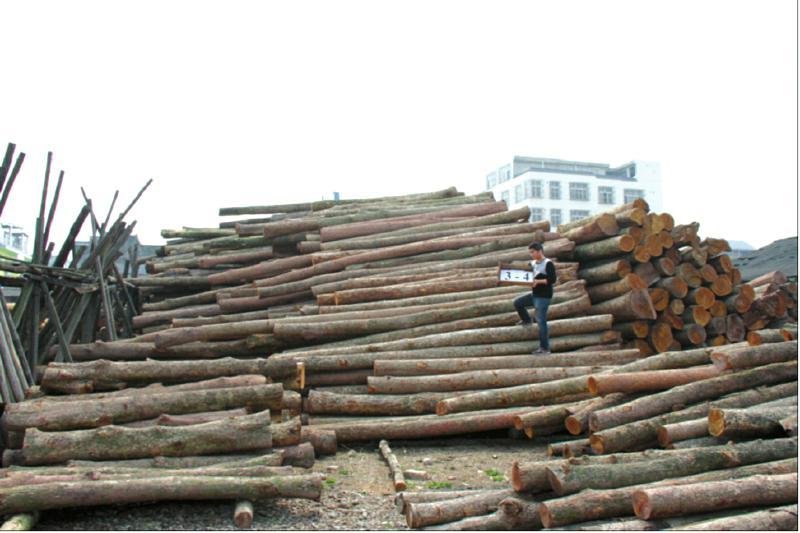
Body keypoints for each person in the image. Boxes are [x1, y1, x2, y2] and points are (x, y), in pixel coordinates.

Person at [513, 241, 557, 354]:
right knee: (518, 303)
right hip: (535, 295)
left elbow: (552, 279)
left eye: (532, 252)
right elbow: (526, 276)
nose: (531, 254)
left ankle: (545, 348)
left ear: (539, 251)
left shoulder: (548, 263)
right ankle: (527, 320)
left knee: (541, 321)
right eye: (530, 252)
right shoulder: (532, 263)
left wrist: (538, 281)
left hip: (544, 296)